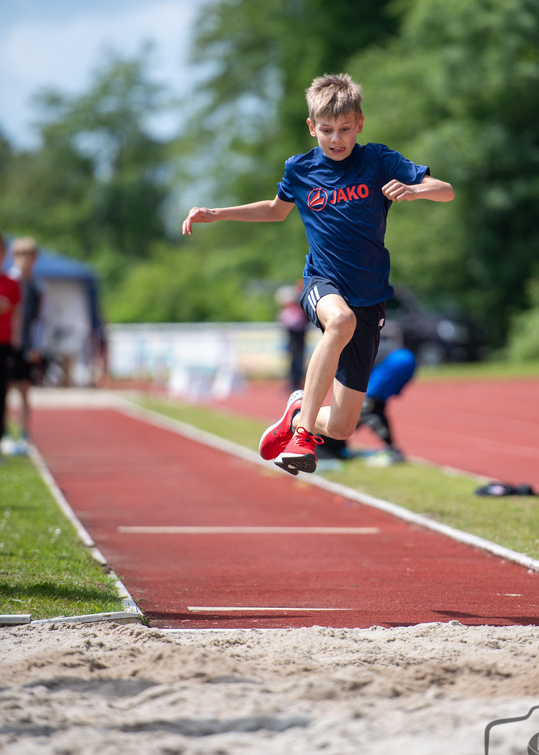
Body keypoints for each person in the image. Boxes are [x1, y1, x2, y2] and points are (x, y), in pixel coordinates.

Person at [182, 72, 454, 474]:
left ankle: (297, 414)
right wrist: (218, 213)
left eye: (345, 129)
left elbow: (445, 189)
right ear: (312, 128)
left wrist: (417, 189)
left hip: (370, 295)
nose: (336, 139)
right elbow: (276, 211)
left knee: (343, 427)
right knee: (339, 321)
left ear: (359, 123)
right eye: (326, 130)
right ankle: (302, 435)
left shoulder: (378, 160)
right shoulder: (300, 169)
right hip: (323, 283)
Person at [316, 346, 418, 464]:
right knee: (375, 406)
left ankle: (331, 443)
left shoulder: (342, 359)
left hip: (394, 362)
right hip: (407, 358)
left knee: (367, 406)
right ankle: (391, 448)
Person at [6, 237, 46, 454]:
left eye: (28, 255)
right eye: (19, 255)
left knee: (24, 389)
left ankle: (23, 434)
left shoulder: (38, 285)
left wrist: (37, 345)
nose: (23, 260)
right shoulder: (8, 280)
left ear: (35, 258)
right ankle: (4, 433)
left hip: (27, 344)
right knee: (4, 389)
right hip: (7, 342)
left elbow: (42, 318)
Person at [0, 234, 22, 457]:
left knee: (3, 392)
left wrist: (16, 342)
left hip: (5, 343)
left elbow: (16, 313)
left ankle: (2, 436)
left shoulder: (11, 283)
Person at [275, 281, 309, 392]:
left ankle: (297, 383)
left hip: (298, 343)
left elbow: (298, 323)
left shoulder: (300, 311)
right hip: (294, 343)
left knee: (298, 363)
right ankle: (293, 383)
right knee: (294, 363)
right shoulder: (291, 311)